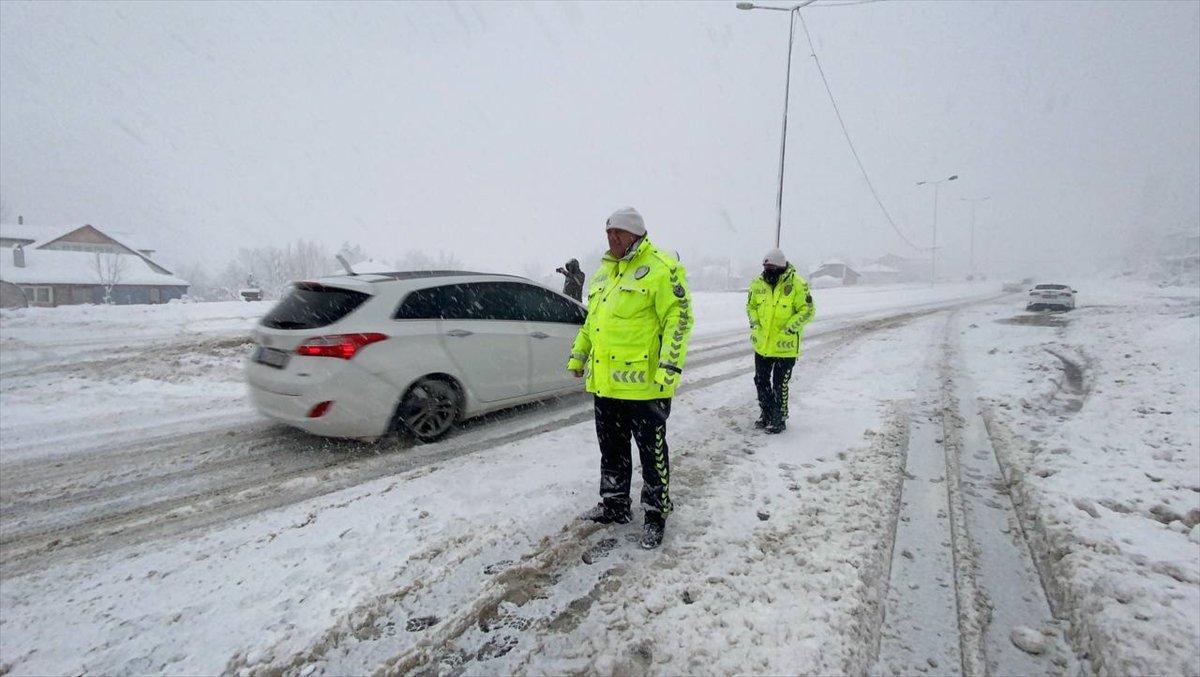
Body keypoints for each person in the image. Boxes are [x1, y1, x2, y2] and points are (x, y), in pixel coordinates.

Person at [567, 207, 693, 550]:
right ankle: (615, 503)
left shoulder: (661, 269)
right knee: (612, 449)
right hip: (607, 385)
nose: (612, 238)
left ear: (636, 235)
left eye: (618, 233)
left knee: (651, 454)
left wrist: (669, 367)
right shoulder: (604, 275)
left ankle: (656, 512)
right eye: (608, 233)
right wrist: (579, 355)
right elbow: (594, 322)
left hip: (645, 385)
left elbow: (679, 320)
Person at [746, 248, 814, 434]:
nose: (768, 270)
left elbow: (807, 310)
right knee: (760, 381)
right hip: (762, 345)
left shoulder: (797, 284)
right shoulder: (757, 284)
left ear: (781, 267)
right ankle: (766, 413)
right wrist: (754, 323)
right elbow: (751, 306)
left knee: (780, 384)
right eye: (765, 267)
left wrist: (790, 328)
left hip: (785, 347)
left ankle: (779, 418)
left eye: (772, 267)